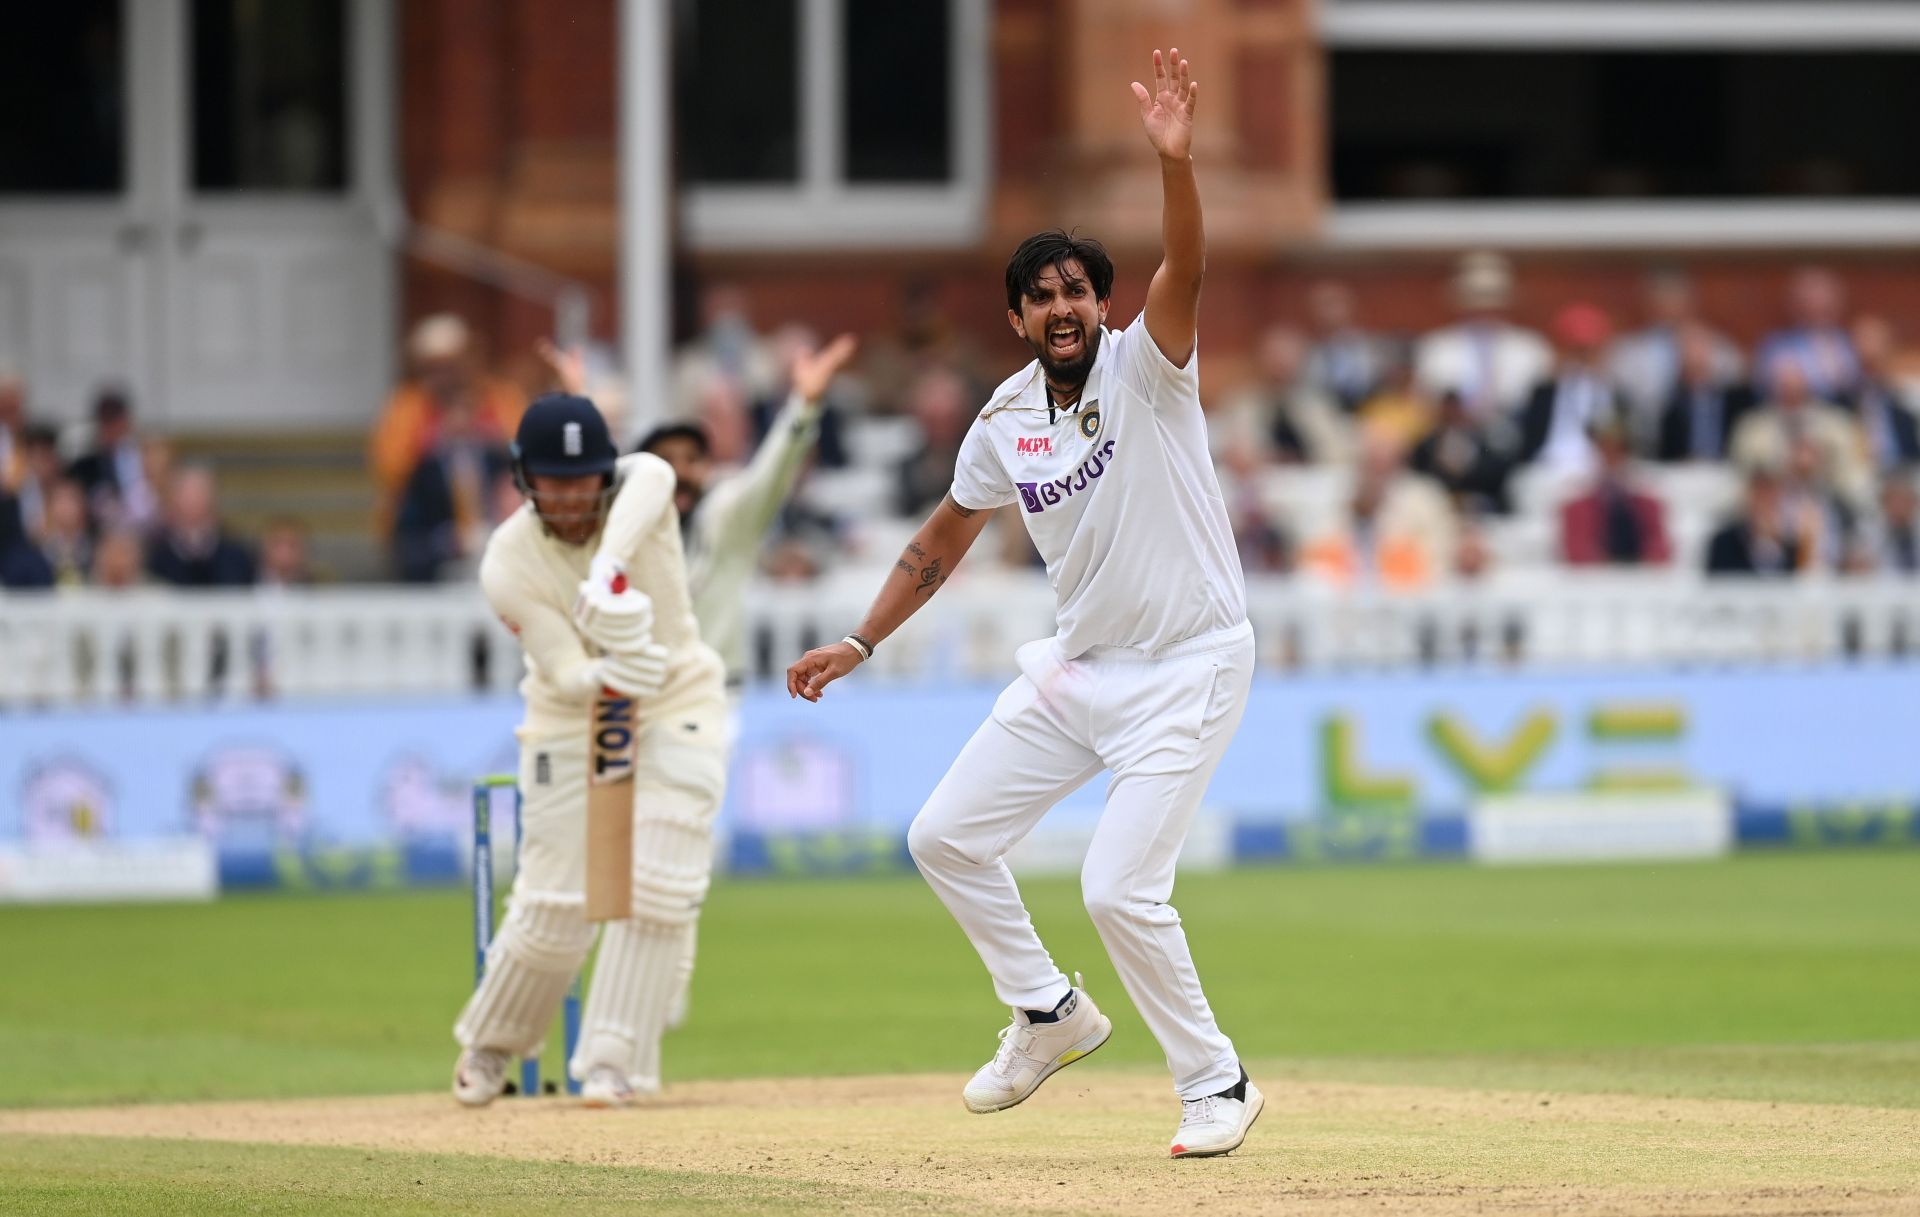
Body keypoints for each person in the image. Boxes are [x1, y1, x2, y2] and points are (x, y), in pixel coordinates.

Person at [786, 49, 1263, 1159]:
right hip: (1085, 667)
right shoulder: (1003, 418)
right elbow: (940, 539)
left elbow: (1185, 266)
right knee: (944, 835)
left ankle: (1217, 1079)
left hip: (1189, 664)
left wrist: (1175, 166)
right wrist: (861, 637)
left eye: (1079, 291)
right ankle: (1050, 1011)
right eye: (1042, 296)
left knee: (1117, 888)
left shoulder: (1150, 368)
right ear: (1017, 316)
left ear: (1102, 303)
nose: (1063, 308)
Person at [453, 394, 729, 1109]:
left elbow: (654, 478)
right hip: (568, 709)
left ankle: (613, 1061)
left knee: (662, 885)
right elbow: (563, 667)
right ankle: (491, 1043)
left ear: (604, 474)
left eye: (584, 480)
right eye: (555, 480)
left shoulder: (644, 485)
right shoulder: (506, 562)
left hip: (676, 695)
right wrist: (602, 673)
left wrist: (608, 570)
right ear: (524, 479)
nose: (572, 495)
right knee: (557, 903)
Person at [1413, 251, 1552, 419]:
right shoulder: (1437, 346)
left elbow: (1540, 401)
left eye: (1491, 301)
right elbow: (1424, 398)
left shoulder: (1530, 347)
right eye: (1476, 301)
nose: (1484, 311)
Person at [1559, 420, 1672, 566]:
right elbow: (1577, 552)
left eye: (1618, 452)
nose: (1611, 459)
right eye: (1605, 451)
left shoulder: (1648, 505)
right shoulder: (1577, 507)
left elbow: (1660, 551)